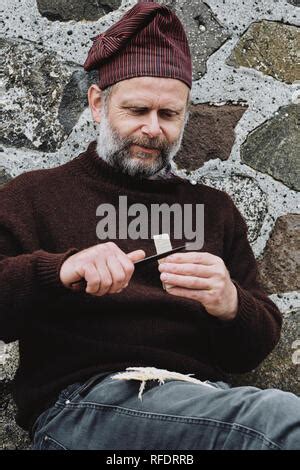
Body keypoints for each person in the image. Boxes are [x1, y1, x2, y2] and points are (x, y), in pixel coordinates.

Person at [0, 0, 299, 450]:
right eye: (137, 110)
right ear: (98, 103)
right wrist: (59, 270)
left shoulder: (213, 209)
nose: (153, 129)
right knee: (282, 420)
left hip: (202, 405)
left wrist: (231, 303)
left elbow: (249, 352)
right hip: (82, 406)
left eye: (169, 115)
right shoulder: (34, 196)